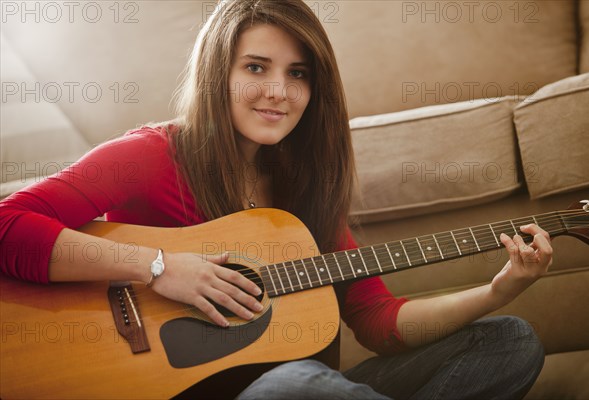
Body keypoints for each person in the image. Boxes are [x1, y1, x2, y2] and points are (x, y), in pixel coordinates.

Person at [0, 0, 553, 399]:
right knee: (296, 383)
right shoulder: (151, 154)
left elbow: (379, 320)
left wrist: (500, 288)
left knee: (509, 341)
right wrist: (158, 266)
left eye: (298, 75)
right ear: (219, 72)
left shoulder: (304, 187)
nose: (278, 93)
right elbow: (8, 223)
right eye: (256, 68)